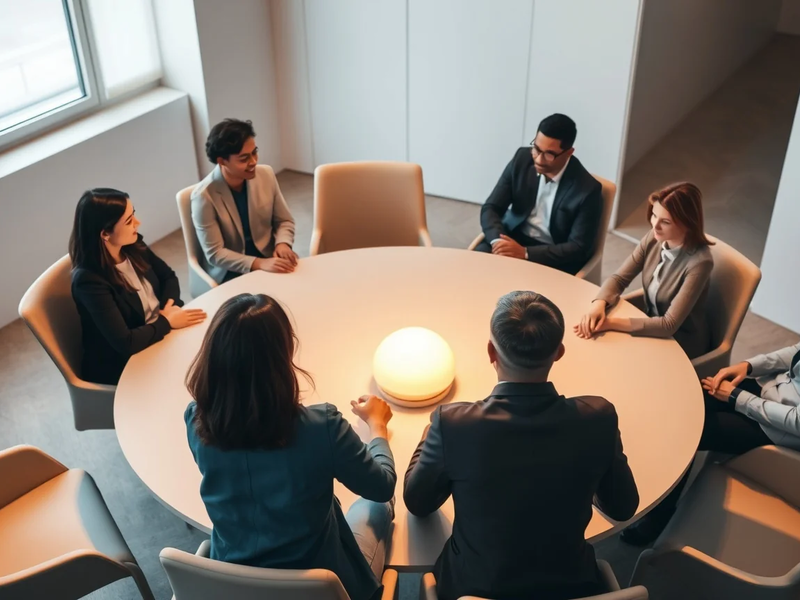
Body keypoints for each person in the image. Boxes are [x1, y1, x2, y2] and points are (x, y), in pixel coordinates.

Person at [404, 291, 639, 600]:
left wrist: (429, 433)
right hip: (571, 587)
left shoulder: (454, 424)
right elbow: (623, 508)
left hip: (475, 588)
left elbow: (418, 503)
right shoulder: (598, 417)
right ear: (560, 352)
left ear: (491, 351)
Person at [184, 293, 396, 600]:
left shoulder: (195, 418)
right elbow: (382, 486)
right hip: (321, 587)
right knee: (375, 505)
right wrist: (377, 427)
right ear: (285, 352)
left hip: (234, 584)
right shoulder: (321, 426)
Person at [621, 343, 800, 545]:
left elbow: (795, 421)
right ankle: (646, 472)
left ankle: (658, 517)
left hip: (778, 430)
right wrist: (748, 365)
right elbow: (796, 350)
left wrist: (736, 397)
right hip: (769, 390)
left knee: (689, 432)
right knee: (687, 399)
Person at [70, 188, 206, 385]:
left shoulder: (133, 246)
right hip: (125, 363)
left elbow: (168, 277)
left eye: (133, 214)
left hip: (158, 333)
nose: (137, 222)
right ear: (105, 234)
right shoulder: (89, 281)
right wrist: (166, 321)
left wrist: (168, 310)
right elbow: (126, 343)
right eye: (128, 221)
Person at [575, 182, 714, 359]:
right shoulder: (654, 238)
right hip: (649, 323)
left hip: (680, 342)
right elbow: (619, 278)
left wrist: (610, 323)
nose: (655, 225)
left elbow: (668, 325)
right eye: (654, 216)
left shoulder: (700, 263)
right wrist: (599, 304)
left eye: (665, 221)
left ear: (687, 223)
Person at [476, 113, 603, 275]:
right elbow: (491, 207)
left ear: (569, 152)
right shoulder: (522, 159)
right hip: (511, 237)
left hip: (551, 257)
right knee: (474, 270)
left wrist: (525, 253)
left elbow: (579, 247)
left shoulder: (588, 190)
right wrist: (498, 241)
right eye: (536, 149)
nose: (539, 160)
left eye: (549, 154)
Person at [192, 118, 297, 283]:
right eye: (244, 158)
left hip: (269, 256)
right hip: (230, 271)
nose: (253, 162)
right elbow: (215, 253)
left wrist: (282, 244)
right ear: (222, 161)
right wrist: (259, 263)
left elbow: (284, 220)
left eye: (254, 152)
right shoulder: (203, 196)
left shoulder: (266, 174)